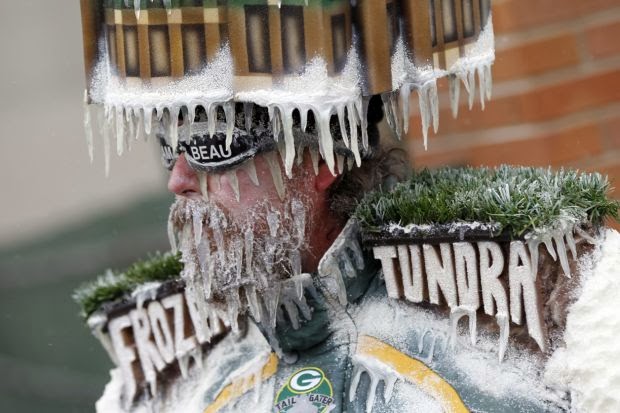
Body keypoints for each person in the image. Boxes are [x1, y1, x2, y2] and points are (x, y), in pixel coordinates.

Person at [79, 1, 590, 412]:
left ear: (321, 156)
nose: (179, 179)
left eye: (212, 141)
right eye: (171, 144)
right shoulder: (174, 386)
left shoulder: (501, 353)